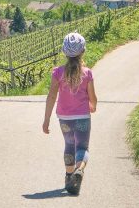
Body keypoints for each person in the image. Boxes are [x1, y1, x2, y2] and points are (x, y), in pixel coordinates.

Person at [42, 32, 98, 195]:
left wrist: (46, 120)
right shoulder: (87, 73)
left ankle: (68, 176)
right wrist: (93, 105)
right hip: (82, 117)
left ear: (64, 52)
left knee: (69, 145)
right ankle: (79, 170)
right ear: (83, 51)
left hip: (64, 118)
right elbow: (92, 96)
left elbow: (51, 96)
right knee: (82, 147)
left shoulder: (58, 73)